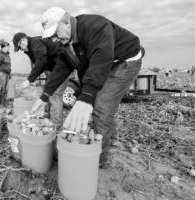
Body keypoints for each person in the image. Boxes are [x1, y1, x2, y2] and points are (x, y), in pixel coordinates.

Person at [31, 7, 145, 168]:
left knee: (101, 107)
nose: (55, 39)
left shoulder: (95, 26)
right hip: (106, 64)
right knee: (98, 105)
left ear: (66, 22)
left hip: (124, 62)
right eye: (52, 37)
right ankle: (110, 138)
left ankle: (100, 159)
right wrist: (44, 96)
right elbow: (61, 69)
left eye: (56, 33)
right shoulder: (66, 44)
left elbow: (102, 59)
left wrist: (86, 97)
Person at [12, 32, 69, 129]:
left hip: (62, 67)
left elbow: (41, 60)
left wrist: (30, 79)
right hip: (53, 69)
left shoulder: (36, 42)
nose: (21, 49)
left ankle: (56, 126)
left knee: (55, 95)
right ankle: (50, 118)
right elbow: (41, 64)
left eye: (21, 46)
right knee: (48, 93)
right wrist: (32, 78)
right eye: (20, 48)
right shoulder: (29, 49)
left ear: (23, 40)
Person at [0, 39, 11, 107]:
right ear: (4, 47)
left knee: (6, 90)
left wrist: (9, 74)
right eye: (8, 47)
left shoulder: (8, 56)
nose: (9, 48)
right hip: (1, 74)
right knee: (1, 90)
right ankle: (0, 104)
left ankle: (4, 103)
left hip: (7, 74)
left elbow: (9, 66)